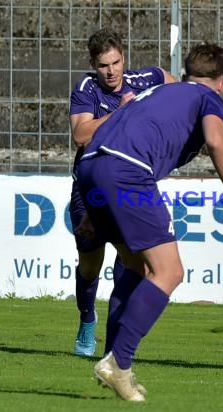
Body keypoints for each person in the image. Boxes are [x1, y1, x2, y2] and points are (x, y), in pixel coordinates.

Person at [76, 43, 223, 401]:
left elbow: (105, 135)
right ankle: (118, 362)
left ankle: (114, 361)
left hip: (92, 167)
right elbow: (217, 141)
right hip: (126, 171)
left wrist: (95, 207)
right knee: (169, 272)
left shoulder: (156, 91)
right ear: (222, 82)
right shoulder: (208, 97)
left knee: (135, 267)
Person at [69, 27, 176, 357]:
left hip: (127, 187)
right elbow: (80, 134)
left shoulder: (143, 80)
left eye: (116, 62)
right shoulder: (87, 88)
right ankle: (87, 318)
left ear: (124, 58)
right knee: (90, 265)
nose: (111, 71)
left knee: (133, 260)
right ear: (94, 65)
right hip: (90, 189)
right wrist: (122, 113)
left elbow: (174, 84)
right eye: (104, 65)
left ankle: (115, 342)